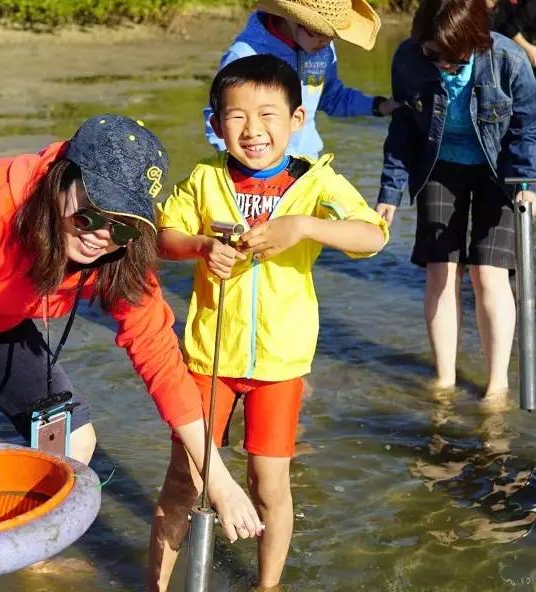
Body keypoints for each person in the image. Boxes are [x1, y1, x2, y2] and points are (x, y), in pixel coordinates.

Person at [0, 113, 263, 542]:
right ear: (61, 180)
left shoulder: (122, 252)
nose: (101, 236)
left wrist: (218, 479)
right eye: (89, 216)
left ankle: (32, 556)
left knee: (75, 441)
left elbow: (160, 361)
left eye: (121, 225)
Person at [149, 55, 388, 590]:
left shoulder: (315, 183)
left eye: (268, 115)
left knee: (268, 483)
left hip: (280, 363)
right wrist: (202, 246)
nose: (253, 130)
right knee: (184, 482)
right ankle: (157, 586)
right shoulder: (204, 180)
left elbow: (372, 236)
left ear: (297, 120)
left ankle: (267, 585)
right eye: (236, 117)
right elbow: (164, 238)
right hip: (208, 358)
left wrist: (303, 227)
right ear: (214, 124)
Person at [375, 0, 536, 400]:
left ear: (476, 41)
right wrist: (390, 193)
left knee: (487, 274)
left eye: (452, 59)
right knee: (441, 270)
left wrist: (526, 184)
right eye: (432, 53)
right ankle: (445, 379)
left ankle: (497, 385)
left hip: (500, 171)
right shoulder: (409, 59)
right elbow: (403, 129)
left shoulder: (508, 58)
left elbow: (527, 125)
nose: (441, 65)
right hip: (439, 167)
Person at [202, 0, 402, 160]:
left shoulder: (321, 50)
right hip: (257, 172)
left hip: (307, 164)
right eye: (319, 34)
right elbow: (219, 117)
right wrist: (241, 167)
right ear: (293, 18)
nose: (325, 44)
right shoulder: (246, 55)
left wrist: (380, 106)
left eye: (332, 38)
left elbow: (331, 98)